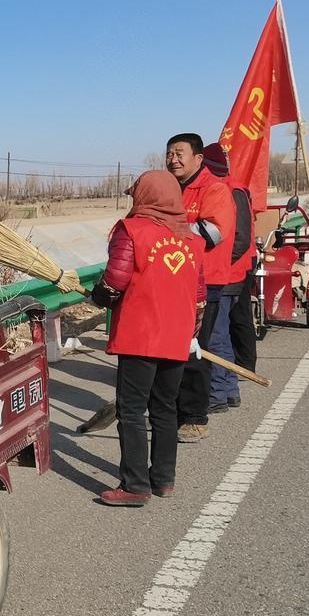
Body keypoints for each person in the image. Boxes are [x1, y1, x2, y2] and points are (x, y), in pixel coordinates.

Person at [90, 171, 205, 507]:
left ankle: (135, 484)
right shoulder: (191, 239)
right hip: (177, 336)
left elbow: (115, 280)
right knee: (165, 408)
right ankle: (163, 479)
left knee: (131, 408)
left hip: (140, 336)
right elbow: (200, 294)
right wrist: (192, 332)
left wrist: (98, 297)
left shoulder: (132, 231)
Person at [165, 133, 235, 442]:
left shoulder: (214, 189)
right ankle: (172, 410)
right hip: (171, 280)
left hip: (204, 283)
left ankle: (195, 416)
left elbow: (214, 232)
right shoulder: (167, 190)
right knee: (169, 349)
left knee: (195, 349)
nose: (173, 159)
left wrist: (164, 232)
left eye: (180, 153)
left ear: (198, 158)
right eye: (169, 153)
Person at [202, 143, 257, 396]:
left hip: (228, 274)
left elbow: (240, 238)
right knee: (222, 331)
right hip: (230, 271)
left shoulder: (229, 190)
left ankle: (220, 390)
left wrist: (220, 264)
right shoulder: (227, 188)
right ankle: (228, 387)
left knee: (217, 334)